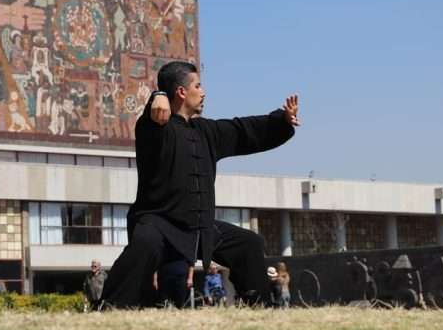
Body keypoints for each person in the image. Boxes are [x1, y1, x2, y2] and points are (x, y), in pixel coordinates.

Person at [100, 61, 299, 308]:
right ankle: (110, 306)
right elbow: (154, 116)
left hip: (199, 227)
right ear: (181, 92)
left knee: (249, 243)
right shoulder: (154, 128)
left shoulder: (207, 131)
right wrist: (157, 95)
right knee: (145, 244)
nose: (203, 92)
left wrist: (281, 121)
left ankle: (259, 305)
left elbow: (243, 130)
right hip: (160, 222)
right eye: (198, 86)